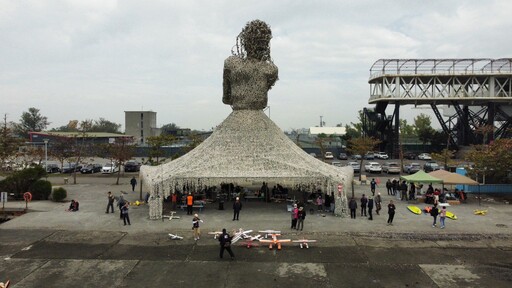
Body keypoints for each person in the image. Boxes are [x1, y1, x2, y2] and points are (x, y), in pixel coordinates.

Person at [223, 20, 278, 110]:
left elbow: (226, 99)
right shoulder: (271, 69)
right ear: (266, 44)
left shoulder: (230, 63)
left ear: (244, 41)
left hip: (237, 115)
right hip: (260, 118)